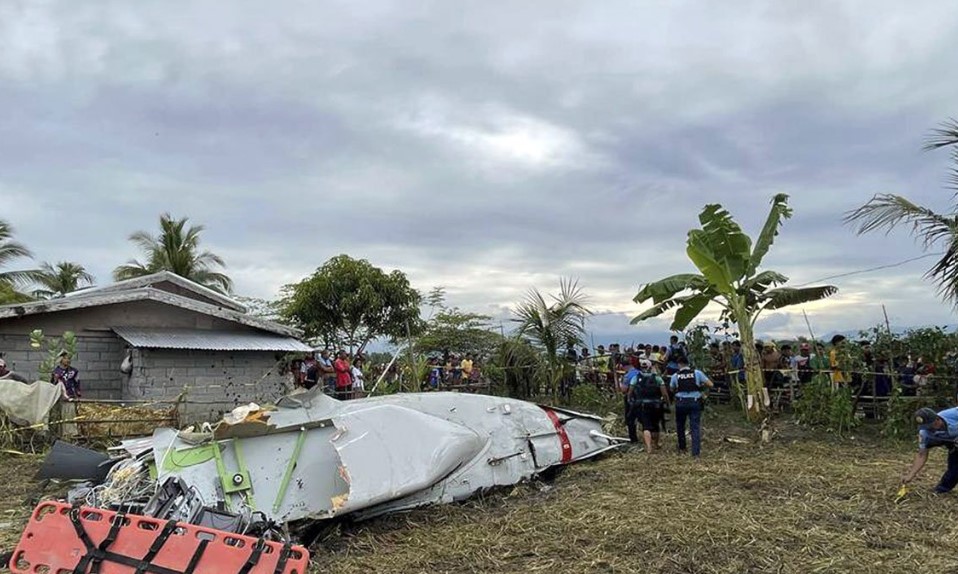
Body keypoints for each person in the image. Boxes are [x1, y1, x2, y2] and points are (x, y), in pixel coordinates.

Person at [901, 407, 958, 493]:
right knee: (955, 467)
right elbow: (921, 455)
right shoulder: (924, 433)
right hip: (951, 442)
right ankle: (942, 489)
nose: (930, 429)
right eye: (926, 427)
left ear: (937, 419)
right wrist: (910, 475)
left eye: (931, 425)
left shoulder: (953, 414)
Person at [669, 356, 713, 457]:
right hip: (695, 402)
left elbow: (671, 388)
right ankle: (695, 453)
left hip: (681, 402)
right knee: (695, 427)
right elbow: (710, 384)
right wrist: (699, 388)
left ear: (679, 364)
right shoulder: (697, 373)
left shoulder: (675, 375)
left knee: (680, 426)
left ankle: (682, 448)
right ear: (688, 363)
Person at [628, 358, 670, 454]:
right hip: (656, 405)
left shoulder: (635, 378)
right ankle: (656, 444)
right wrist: (667, 403)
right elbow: (664, 393)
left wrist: (630, 401)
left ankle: (648, 447)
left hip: (642, 405)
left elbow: (630, 392)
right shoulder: (657, 378)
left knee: (646, 426)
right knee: (655, 425)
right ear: (650, 367)